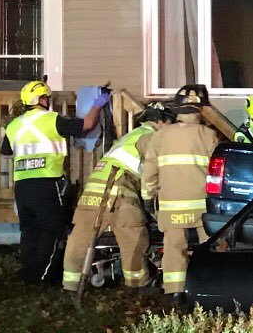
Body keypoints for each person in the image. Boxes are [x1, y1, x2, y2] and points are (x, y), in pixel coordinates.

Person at [2, 80, 109, 284]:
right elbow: (86, 126)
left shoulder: (14, 125)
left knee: (29, 230)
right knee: (51, 229)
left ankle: (27, 274)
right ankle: (43, 277)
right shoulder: (51, 119)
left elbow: (7, 153)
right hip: (47, 183)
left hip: (22, 185)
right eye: (46, 98)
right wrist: (97, 105)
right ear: (41, 99)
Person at [62, 102, 175, 293]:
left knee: (80, 240)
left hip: (93, 192)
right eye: (171, 123)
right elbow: (155, 169)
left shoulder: (130, 137)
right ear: (160, 122)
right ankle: (137, 286)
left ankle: (70, 287)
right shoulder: (150, 138)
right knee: (134, 237)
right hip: (119, 191)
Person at [141, 85, 219, 298]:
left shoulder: (160, 136)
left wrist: (147, 197)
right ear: (200, 109)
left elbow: (149, 172)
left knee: (174, 248)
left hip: (171, 205)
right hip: (202, 206)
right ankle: (209, 289)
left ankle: (174, 293)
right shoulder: (209, 135)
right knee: (209, 246)